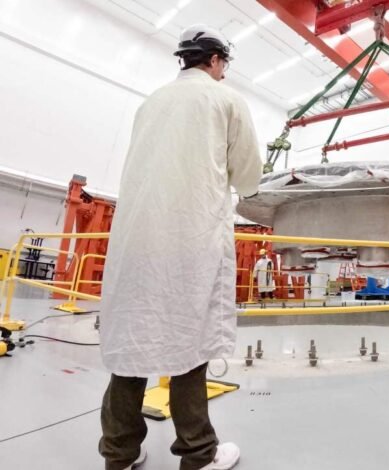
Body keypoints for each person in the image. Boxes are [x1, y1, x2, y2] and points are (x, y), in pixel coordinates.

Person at [99, 24, 262, 470]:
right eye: (223, 64)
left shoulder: (151, 103)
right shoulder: (225, 100)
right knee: (189, 344)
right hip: (188, 239)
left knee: (133, 342)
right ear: (213, 60)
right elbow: (248, 176)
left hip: (135, 239)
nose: (224, 73)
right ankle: (199, 455)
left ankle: (119, 455)